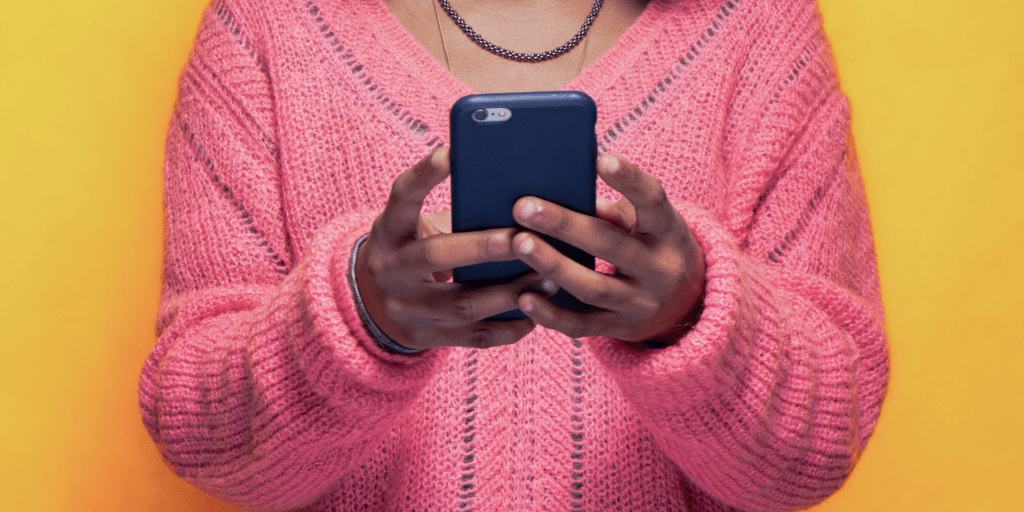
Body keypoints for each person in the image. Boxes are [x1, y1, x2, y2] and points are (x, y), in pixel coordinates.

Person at [139, 0, 890, 509]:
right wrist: (358, 315)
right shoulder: (269, 23)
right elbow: (204, 441)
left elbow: (814, 456)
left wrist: (690, 319)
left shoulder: (759, 25)